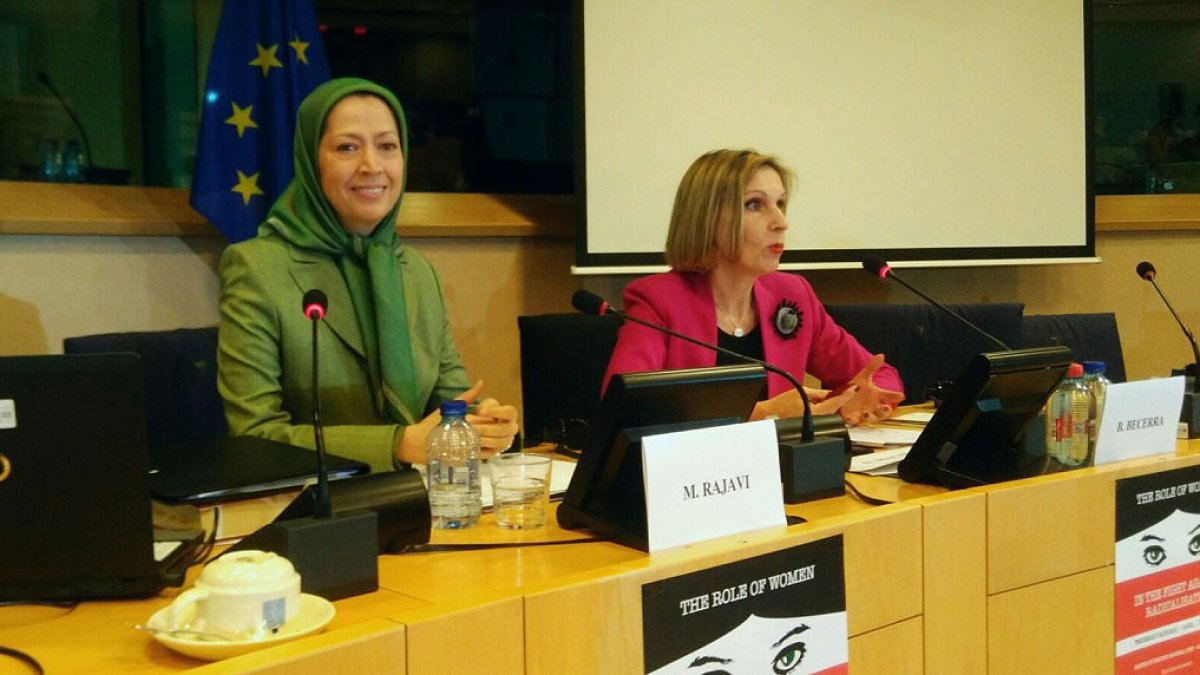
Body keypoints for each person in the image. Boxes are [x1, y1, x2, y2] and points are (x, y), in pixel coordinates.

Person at [217, 77, 518, 473]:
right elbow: (255, 435)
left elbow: (450, 401)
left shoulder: (415, 271)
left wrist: (484, 421)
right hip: (312, 509)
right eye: (347, 147)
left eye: (387, 146)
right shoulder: (257, 267)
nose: (372, 166)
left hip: (420, 501)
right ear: (311, 160)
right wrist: (398, 445)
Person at [602, 149, 904, 426]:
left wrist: (865, 397)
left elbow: (880, 375)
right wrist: (761, 414)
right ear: (706, 219)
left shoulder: (791, 294)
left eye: (781, 204)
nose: (781, 222)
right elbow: (625, 410)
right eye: (755, 205)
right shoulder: (659, 301)